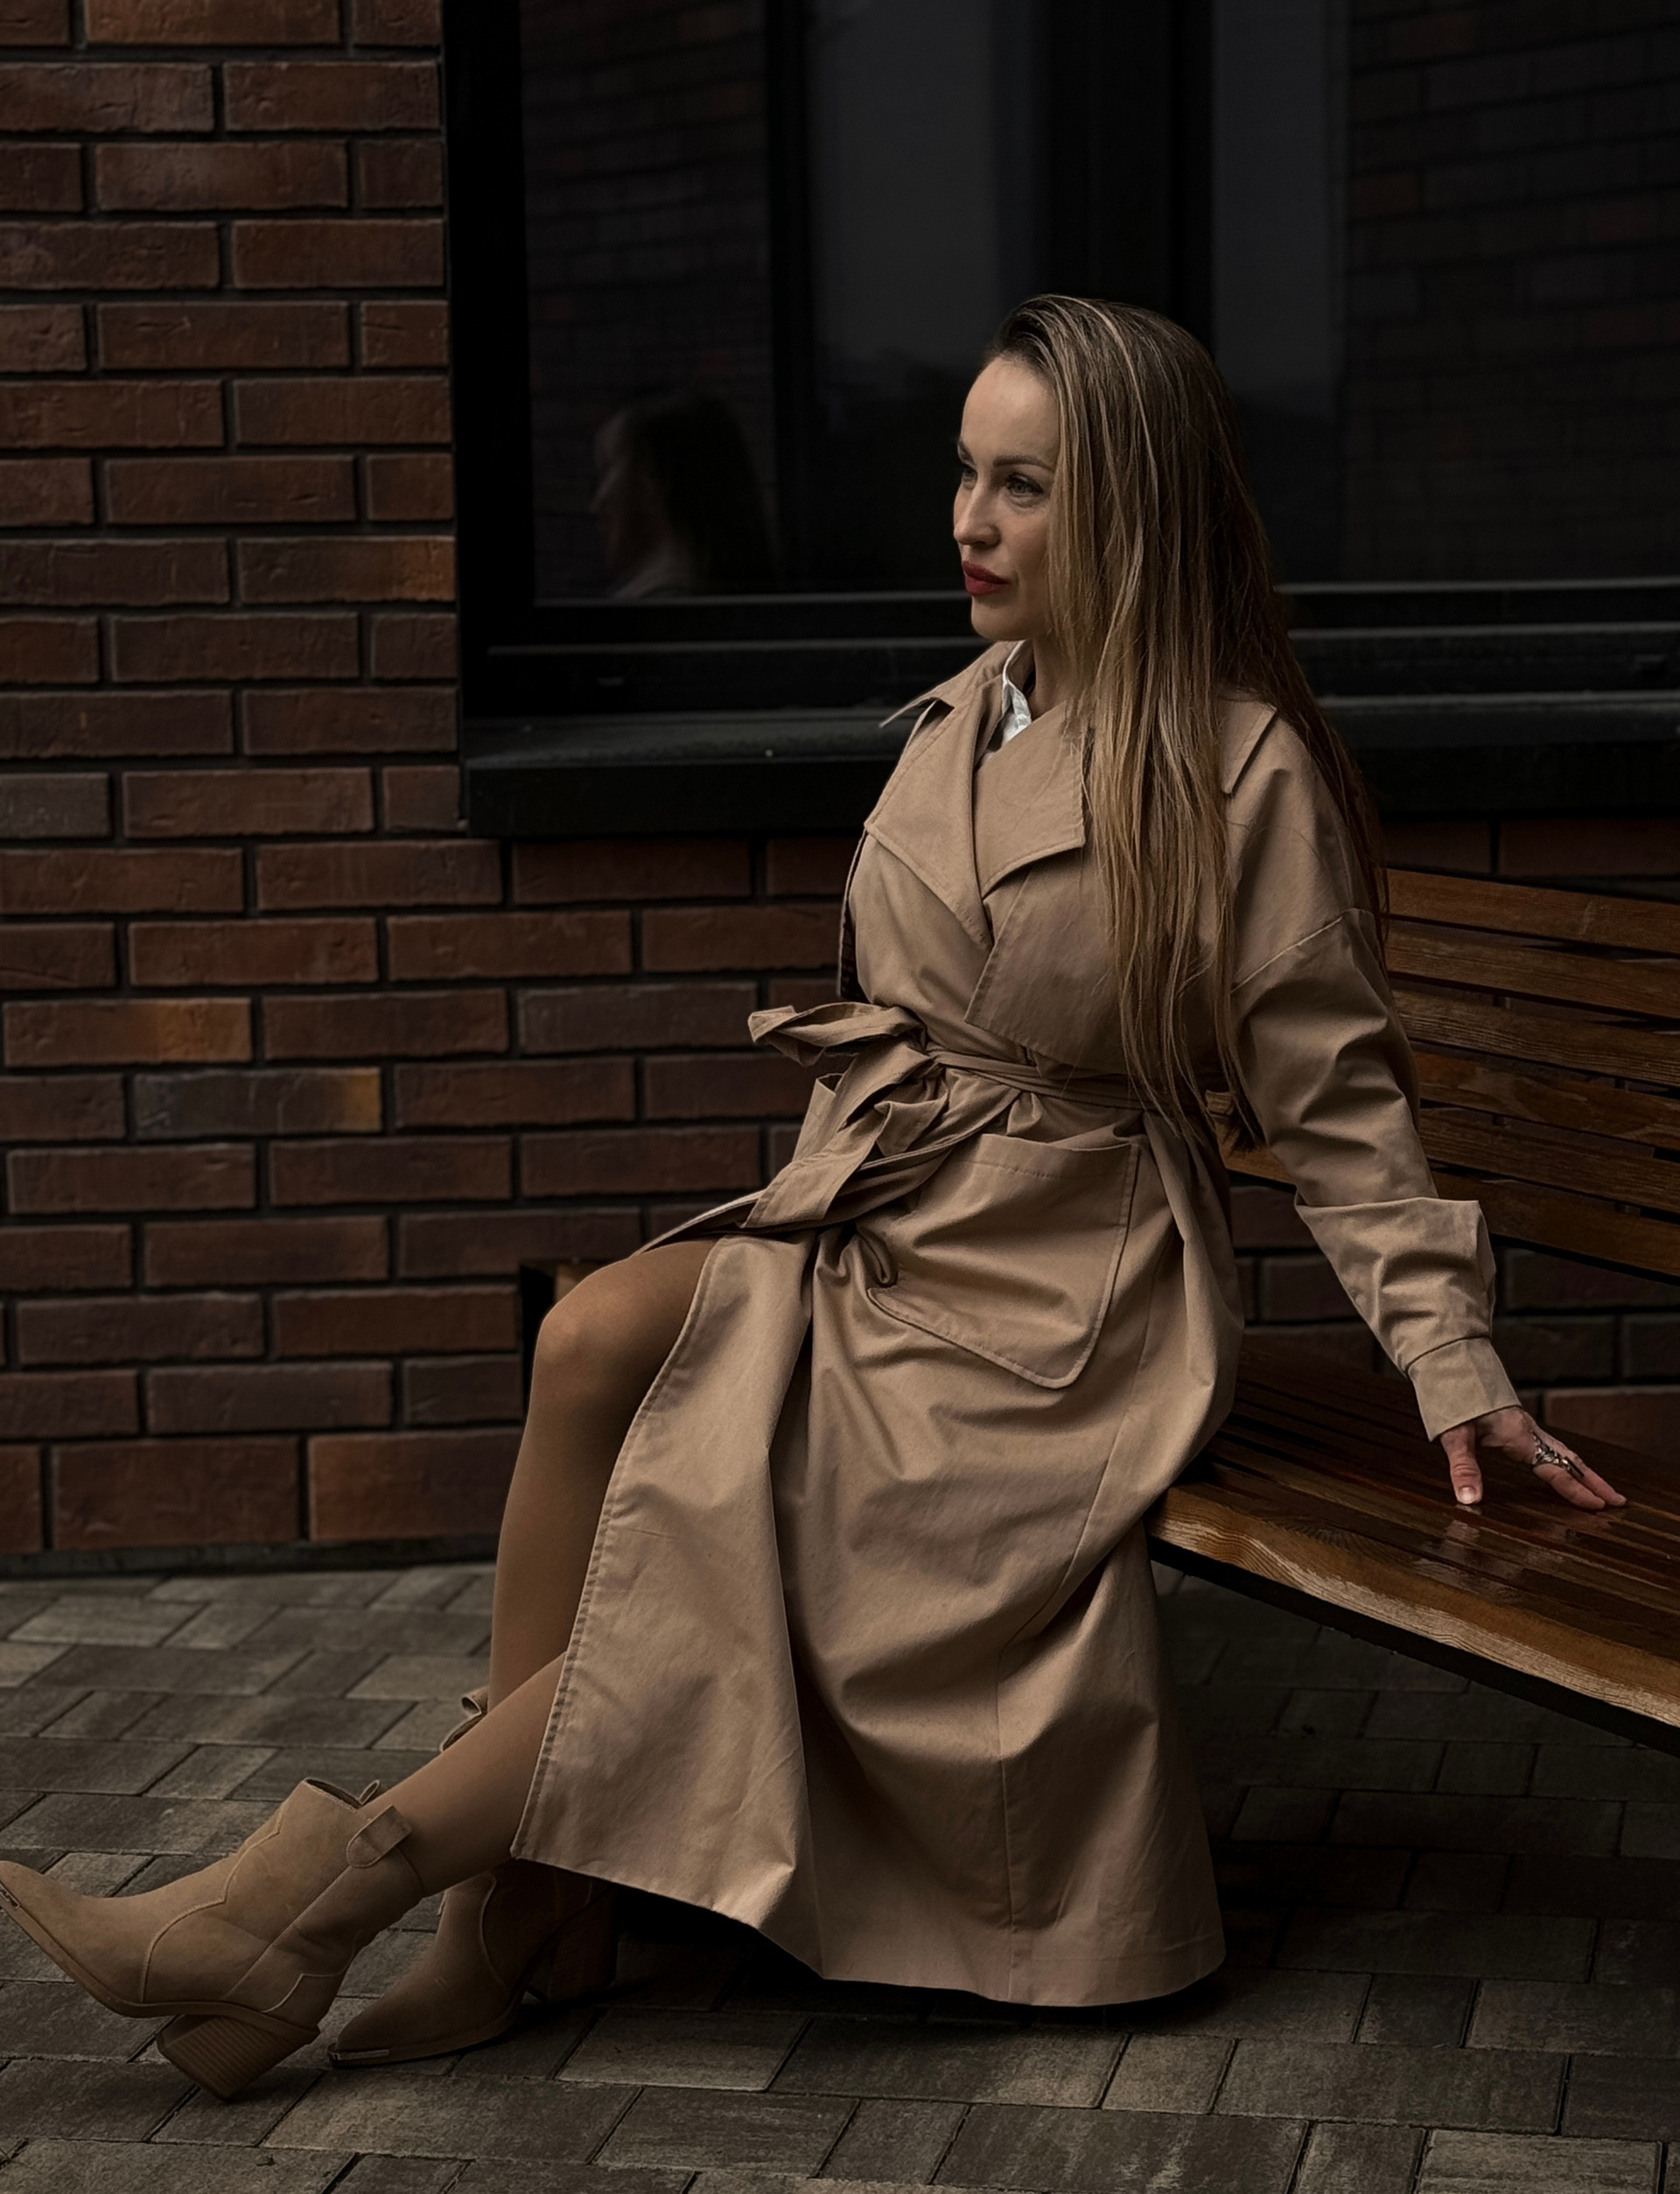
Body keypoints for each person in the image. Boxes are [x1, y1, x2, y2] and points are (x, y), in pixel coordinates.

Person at [0, 296, 1622, 2099]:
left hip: (1065, 1291)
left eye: (1023, 486)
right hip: (892, 1208)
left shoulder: (1239, 770)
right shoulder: (968, 707)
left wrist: (1451, 1359)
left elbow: (1340, 1109)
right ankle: (523, 1915)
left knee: (721, 1509)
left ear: (1134, 511)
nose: (969, 522)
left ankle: (321, 1898)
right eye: (965, 473)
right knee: (591, 1337)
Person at [592, 390, 777, 597]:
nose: (598, 502)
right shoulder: (732, 598)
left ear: (650, 475)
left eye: (607, 467)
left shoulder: (658, 606)